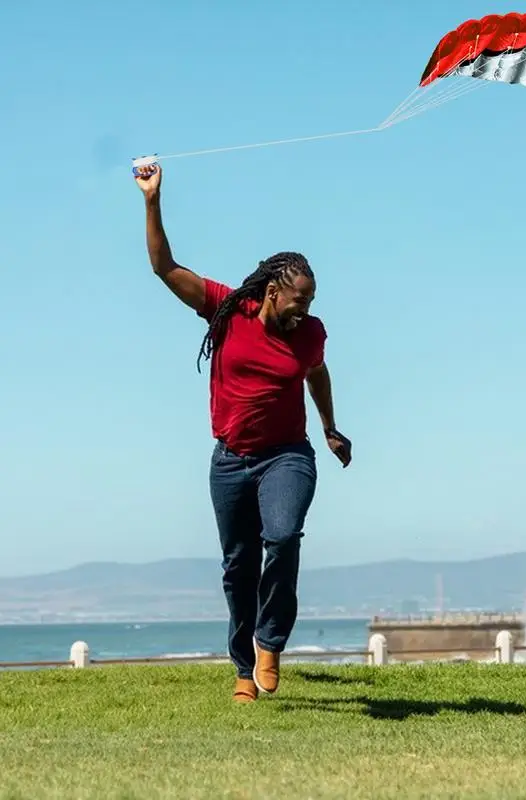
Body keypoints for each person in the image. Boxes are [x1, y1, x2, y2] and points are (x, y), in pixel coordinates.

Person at [134, 162, 352, 703]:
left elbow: (316, 372)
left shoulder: (312, 334)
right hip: (230, 459)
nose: (307, 310)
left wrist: (329, 427)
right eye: (300, 299)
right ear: (275, 292)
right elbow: (164, 267)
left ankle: (270, 642)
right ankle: (242, 669)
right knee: (238, 566)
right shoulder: (227, 309)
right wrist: (152, 200)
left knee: (281, 536)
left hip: (287, 456)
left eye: (312, 300)